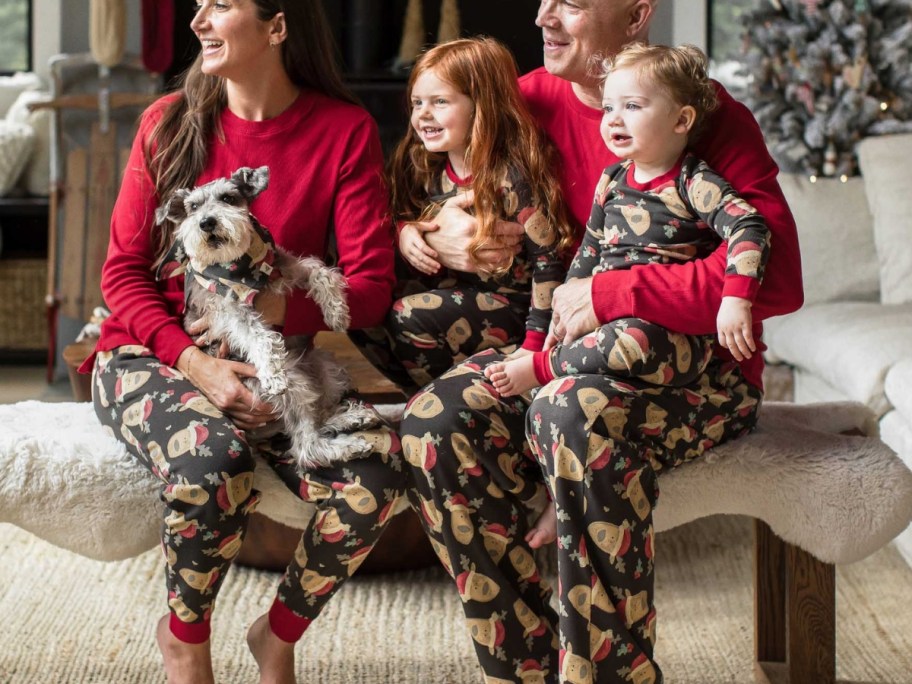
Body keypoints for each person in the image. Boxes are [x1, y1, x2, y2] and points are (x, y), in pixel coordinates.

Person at [400, 1, 803, 682]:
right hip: (565, 351)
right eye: (544, 0)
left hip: (694, 373)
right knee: (431, 424)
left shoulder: (698, 109)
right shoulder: (522, 98)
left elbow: (778, 277)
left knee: (569, 412)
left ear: (639, 13)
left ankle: (613, 673)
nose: (543, 17)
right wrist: (415, 235)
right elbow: (432, 162)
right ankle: (524, 664)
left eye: (574, 3)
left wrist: (612, 294)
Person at [82, 2, 408, 683]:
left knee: (374, 483)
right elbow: (122, 272)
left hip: (272, 359)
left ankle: (277, 635)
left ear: (278, 26)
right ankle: (186, 641)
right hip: (150, 353)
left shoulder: (343, 131)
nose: (198, 20)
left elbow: (370, 290)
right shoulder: (169, 123)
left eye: (220, 5)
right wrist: (195, 362)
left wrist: (262, 308)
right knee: (213, 465)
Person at [357, 37, 573, 391]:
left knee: (410, 314)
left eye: (440, 102)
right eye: (416, 103)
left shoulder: (512, 179)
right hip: (453, 297)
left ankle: (444, 398)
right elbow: (397, 218)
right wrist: (406, 232)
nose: (423, 114)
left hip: (515, 311)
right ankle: (421, 393)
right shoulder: (423, 166)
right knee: (356, 297)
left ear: (481, 106)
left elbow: (550, 265)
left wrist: (534, 348)